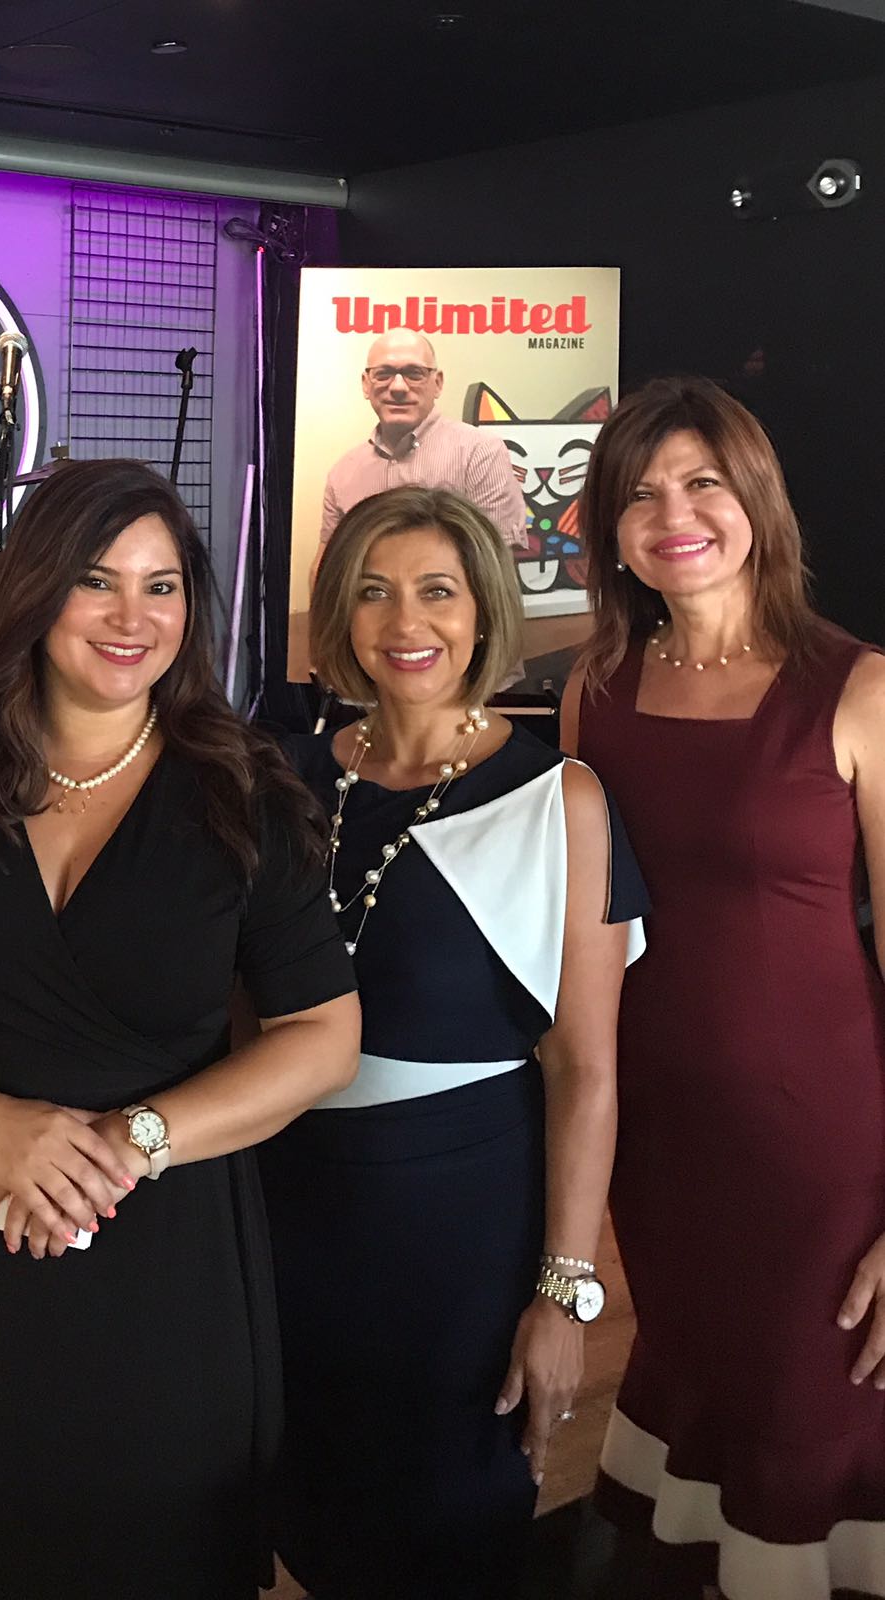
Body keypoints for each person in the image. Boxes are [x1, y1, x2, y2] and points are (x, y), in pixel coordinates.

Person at [0, 458, 361, 1600]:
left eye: (162, 587)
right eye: (96, 581)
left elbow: (322, 1032)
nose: (131, 617)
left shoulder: (240, 789)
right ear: (35, 589)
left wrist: (131, 1141)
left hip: (170, 1248)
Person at [262, 484, 647, 1599]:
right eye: (373, 593)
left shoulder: (559, 799)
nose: (405, 623)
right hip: (290, 1206)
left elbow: (585, 1068)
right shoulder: (288, 778)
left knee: (446, 1530)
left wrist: (563, 1292)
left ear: (483, 609)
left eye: (437, 591)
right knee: (313, 1518)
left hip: (459, 1224)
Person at [560, 375, 885, 1600]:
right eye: (639, 493)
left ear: (756, 498)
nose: (673, 515)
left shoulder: (856, 688)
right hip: (660, 1149)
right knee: (706, 1405)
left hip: (822, 1157)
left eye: (701, 482)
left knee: (811, 1424)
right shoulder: (594, 689)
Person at [310, 328, 527, 591]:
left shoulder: (480, 454)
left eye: (414, 373)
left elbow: (498, 569)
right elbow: (324, 568)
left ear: (438, 383)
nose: (398, 387)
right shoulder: (343, 473)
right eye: (383, 374)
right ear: (366, 384)